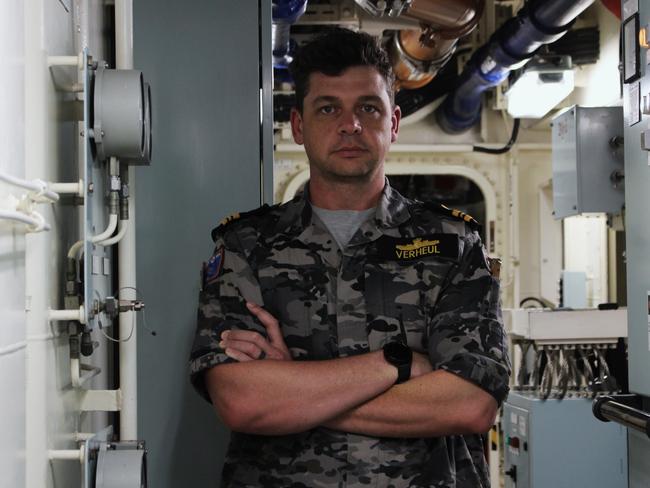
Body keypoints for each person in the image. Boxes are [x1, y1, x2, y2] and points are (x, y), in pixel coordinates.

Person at [190, 27, 510, 488]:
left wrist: (294, 389)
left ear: (393, 123)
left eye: (368, 107)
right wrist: (397, 364)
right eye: (327, 108)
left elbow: (470, 404)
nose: (350, 125)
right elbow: (242, 402)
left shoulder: (453, 245)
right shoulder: (246, 247)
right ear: (298, 125)